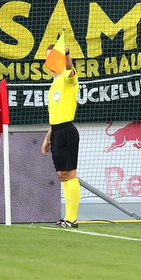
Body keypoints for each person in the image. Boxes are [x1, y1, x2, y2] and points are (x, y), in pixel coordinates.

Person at [41, 42, 80, 228]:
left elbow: (71, 70)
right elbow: (54, 115)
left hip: (66, 131)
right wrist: (48, 137)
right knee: (62, 175)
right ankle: (68, 217)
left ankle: (73, 219)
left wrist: (66, 54)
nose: (51, 60)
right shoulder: (53, 84)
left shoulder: (67, 78)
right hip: (56, 131)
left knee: (69, 173)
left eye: (54, 56)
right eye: (49, 56)